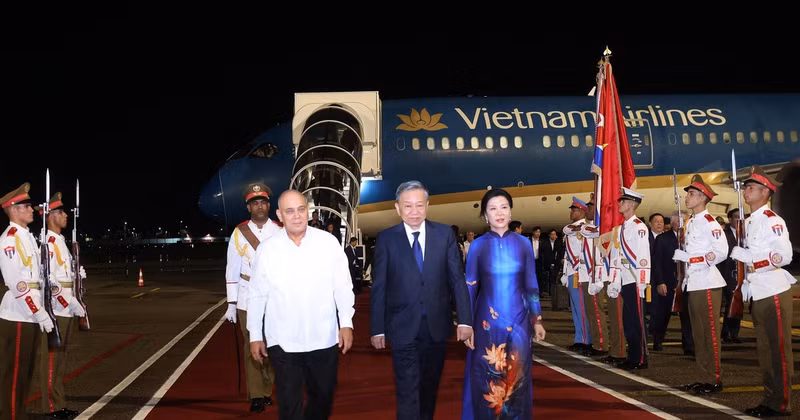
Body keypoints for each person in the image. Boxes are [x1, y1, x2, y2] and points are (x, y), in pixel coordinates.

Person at [369, 180, 472, 420]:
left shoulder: (445, 234)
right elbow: (379, 287)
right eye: (408, 206)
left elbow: (456, 279)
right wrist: (377, 328)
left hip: (436, 327)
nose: (414, 212)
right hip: (402, 327)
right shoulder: (386, 239)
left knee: (429, 388)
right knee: (407, 391)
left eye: (419, 205)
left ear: (427, 205)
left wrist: (465, 320)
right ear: (397, 208)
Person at [247, 190, 355, 420]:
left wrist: (346, 322)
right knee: (288, 403)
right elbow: (256, 294)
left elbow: (343, 286)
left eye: (301, 209)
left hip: (323, 337)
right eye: (289, 211)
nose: (296, 216)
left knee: (323, 397)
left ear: (308, 211)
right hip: (283, 341)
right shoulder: (267, 249)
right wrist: (255, 334)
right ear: (280, 215)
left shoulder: (328, 243)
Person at [461, 188, 545, 419]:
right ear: (485, 216)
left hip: (519, 324)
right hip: (486, 325)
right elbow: (470, 287)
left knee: (517, 380)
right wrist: (466, 324)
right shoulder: (477, 246)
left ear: (510, 212)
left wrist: (537, 320)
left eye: (504, 207)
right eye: (493, 208)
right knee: (487, 380)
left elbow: (531, 284)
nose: (499, 213)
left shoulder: (523, 244)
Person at [730, 166, 794, 417]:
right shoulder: (749, 221)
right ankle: (770, 399)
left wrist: (752, 259)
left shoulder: (772, 221)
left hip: (773, 289)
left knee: (778, 351)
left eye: (752, 187)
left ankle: (781, 403)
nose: (746, 191)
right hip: (757, 289)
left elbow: (784, 256)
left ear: (766, 192)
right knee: (765, 351)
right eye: (746, 187)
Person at [224, 183, 280, 412]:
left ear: (269, 205)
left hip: (274, 299)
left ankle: (267, 388)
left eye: (263, 202)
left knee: (275, 346)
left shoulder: (279, 230)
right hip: (248, 297)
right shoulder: (239, 233)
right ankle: (256, 394)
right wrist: (231, 302)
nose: (259, 206)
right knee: (251, 346)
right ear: (249, 207)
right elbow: (232, 269)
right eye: (254, 203)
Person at [0, 183, 54, 420]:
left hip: (29, 313)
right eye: (26, 206)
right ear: (13, 209)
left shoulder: (28, 237)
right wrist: (38, 312)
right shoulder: (10, 239)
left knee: (26, 372)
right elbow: (17, 282)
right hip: (19, 314)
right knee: (14, 375)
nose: (32, 209)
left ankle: (17, 413)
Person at [673, 175, 728, 394]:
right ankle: (704, 377)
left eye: (692, 194)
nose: (687, 197)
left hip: (707, 282)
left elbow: (721, 252)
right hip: (694, 283)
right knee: (698, 334)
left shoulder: (709, 222)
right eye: (688, 193)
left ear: (703, 197)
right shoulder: (692, 221)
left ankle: (714, 379)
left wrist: (690, 259)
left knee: (709, 334)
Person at [34, 193, 86, 419]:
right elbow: (49, 279)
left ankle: (59, 403)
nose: (66, 216)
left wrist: (77, 276)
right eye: (62, 212)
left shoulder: (61, 241)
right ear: (52, 216)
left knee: (61, 359)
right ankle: (50, 408)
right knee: (51, 360)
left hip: (65, 307)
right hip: (56, 307)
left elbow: (63, 275)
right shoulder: (48, 243)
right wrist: (69, 300)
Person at [609, 188, 650, 370]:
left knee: (636, 321)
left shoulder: (639, 227)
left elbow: (643, 257)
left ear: (632, 204)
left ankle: (639, 358)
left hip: (635, 278)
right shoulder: (620, 229)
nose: (619, 204)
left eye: (623, 201)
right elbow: (616, 257)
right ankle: (632, 356)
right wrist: (614, 280)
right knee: (628, 320)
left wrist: (642, 282)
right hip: (625, 278)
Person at [651, 210, 694, 354]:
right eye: (682, 220)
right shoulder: (662, 239)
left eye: (686, 220)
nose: (685, 223)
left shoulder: (691, 238)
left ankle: (688, 345)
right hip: (668, 283)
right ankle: (658, 340)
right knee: (663, 315)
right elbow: (656, 262)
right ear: (674, 222)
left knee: (687, 316)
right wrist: (660, 282)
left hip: (687, 282)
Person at [560, 197, 592, 353]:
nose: (571, 212)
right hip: (572, 271)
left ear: (581, 211)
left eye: (574, 210)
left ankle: (586, 340)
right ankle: (579, 338)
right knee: (575, 308)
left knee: (581, 307)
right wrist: (566, 272)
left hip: (581, 272)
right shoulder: (573, 228)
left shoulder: (585, 227)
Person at [719, 208, 742, 343]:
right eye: (736, 217)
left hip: (741, 275)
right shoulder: (724, 235)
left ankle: (734, 333)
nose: (739, 220)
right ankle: (726, 332)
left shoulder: (745, 235)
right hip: (727, 274)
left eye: (741, 217)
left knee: (738, 303)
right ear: (730, 219)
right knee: (730, 303)